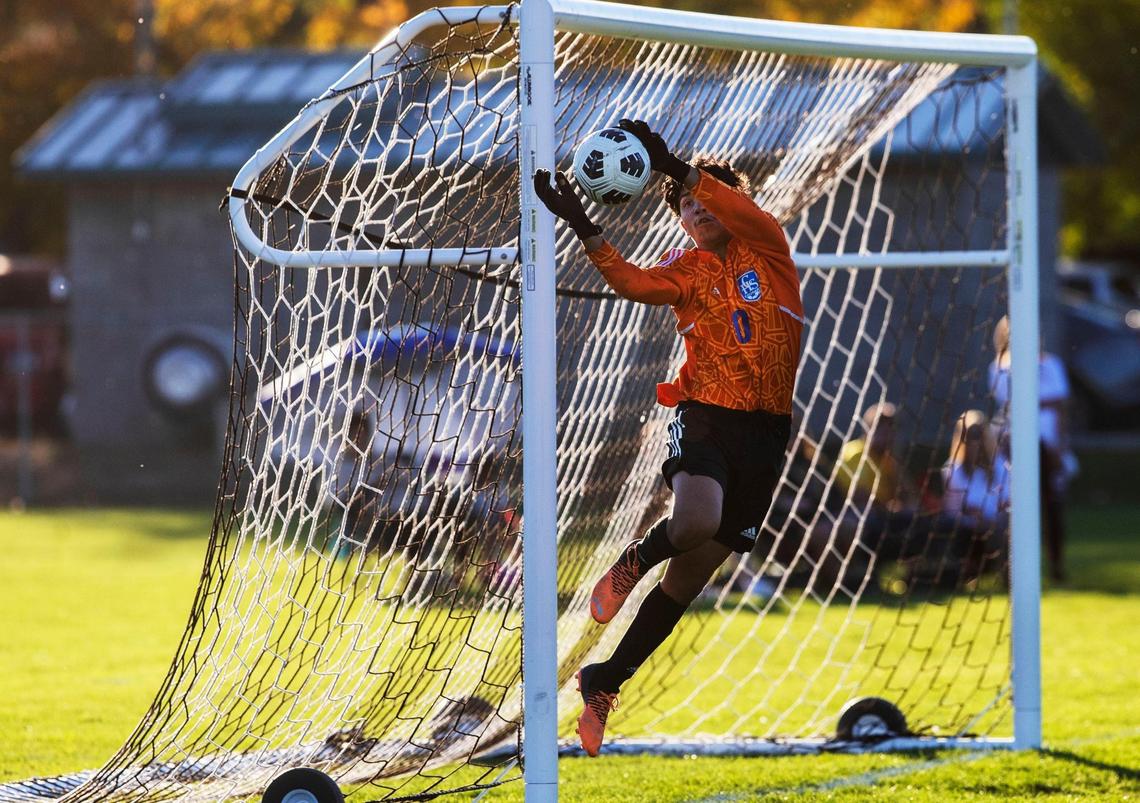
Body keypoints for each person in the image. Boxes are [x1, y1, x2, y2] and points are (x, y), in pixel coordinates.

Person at [533, 119, 803, 756]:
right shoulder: (685, 269)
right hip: (705, 412)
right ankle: (628, 566)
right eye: (683, 206)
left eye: (701, 198)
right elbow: (633, 283)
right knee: (694, 521)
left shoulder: (767, 247)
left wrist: (676, 166)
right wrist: (585, 227)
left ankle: (604, 680)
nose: (693, 208)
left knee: (689, 580)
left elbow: (726, 201)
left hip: (766, 434)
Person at [988, 315, 1073, 582]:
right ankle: (1008, 569)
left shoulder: (1050, 364)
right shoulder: (999, 368)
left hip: (1046, 443)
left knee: (1051, 505)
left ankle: (1056, 565)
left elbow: (1059, 406)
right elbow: (1007, 405)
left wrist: (1059, 446)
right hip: (1013, 443)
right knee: (1012, 506)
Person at [941, 409, 1009, 581]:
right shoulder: (953, 470)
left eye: (979, 435)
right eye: (970, 436)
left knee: (1007, 527)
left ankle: (1007, 576)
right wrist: (972, 514)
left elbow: (1008, 499)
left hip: (998, 523)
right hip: (968, 527)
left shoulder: (1000, 466)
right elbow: (952, 509)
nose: (975, 442)